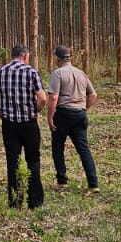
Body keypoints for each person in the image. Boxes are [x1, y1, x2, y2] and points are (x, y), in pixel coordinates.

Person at [0, 45, 48, 209]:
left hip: (9, 124)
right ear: (25, 56)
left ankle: (15, 201)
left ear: (12, 56)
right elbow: (42, 98)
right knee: (33, 160)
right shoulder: (31, 72)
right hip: (29, 123)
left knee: (13, 161)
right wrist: (36, 110)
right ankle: (35, 201)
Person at [45, 44, 98, 192]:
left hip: (63, 114)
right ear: (70, 58)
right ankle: (93, 184)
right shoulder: (81, 73)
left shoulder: (58, 74)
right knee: (84, 149)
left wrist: (50, 117)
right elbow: (93, 95)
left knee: (58, 148)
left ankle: (62, 182)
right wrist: (83, 108)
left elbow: (54, 97)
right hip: (80, 114)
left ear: (57, 58)